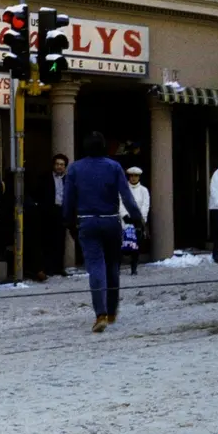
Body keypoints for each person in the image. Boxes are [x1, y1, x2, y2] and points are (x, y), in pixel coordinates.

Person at [63, 132, 145, 333]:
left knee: (96, 266)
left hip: (86, 221)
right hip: (110, 221)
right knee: (112, 266)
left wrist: (69, 224)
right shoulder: (114, 167)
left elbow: (68, 201)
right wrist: (138, 220)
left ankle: (99, 313)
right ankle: (111, 311)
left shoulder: (75, 168)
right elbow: (126, 197)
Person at [37, 154, 70, 279]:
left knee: (60, 240)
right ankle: (48, 267)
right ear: (53, 165)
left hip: (62, 211)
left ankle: (59, 267)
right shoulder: (45, 178)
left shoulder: (68, 179)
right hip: (48, 212)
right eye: (57, 164)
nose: (59, 167)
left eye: (62, 165)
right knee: (47, 240)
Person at [119, 166, 151, 276]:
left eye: (135, 176)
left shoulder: (144, 190)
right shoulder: (123, 189)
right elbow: (120, 203)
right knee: (120, 245)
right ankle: (118, 267)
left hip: (137, 222)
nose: (133, 178)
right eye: (131, 176)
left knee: (136, 246)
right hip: (125, 221)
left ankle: (134, 268)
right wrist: (124, 215)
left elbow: (146, 205)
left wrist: (139, 218)